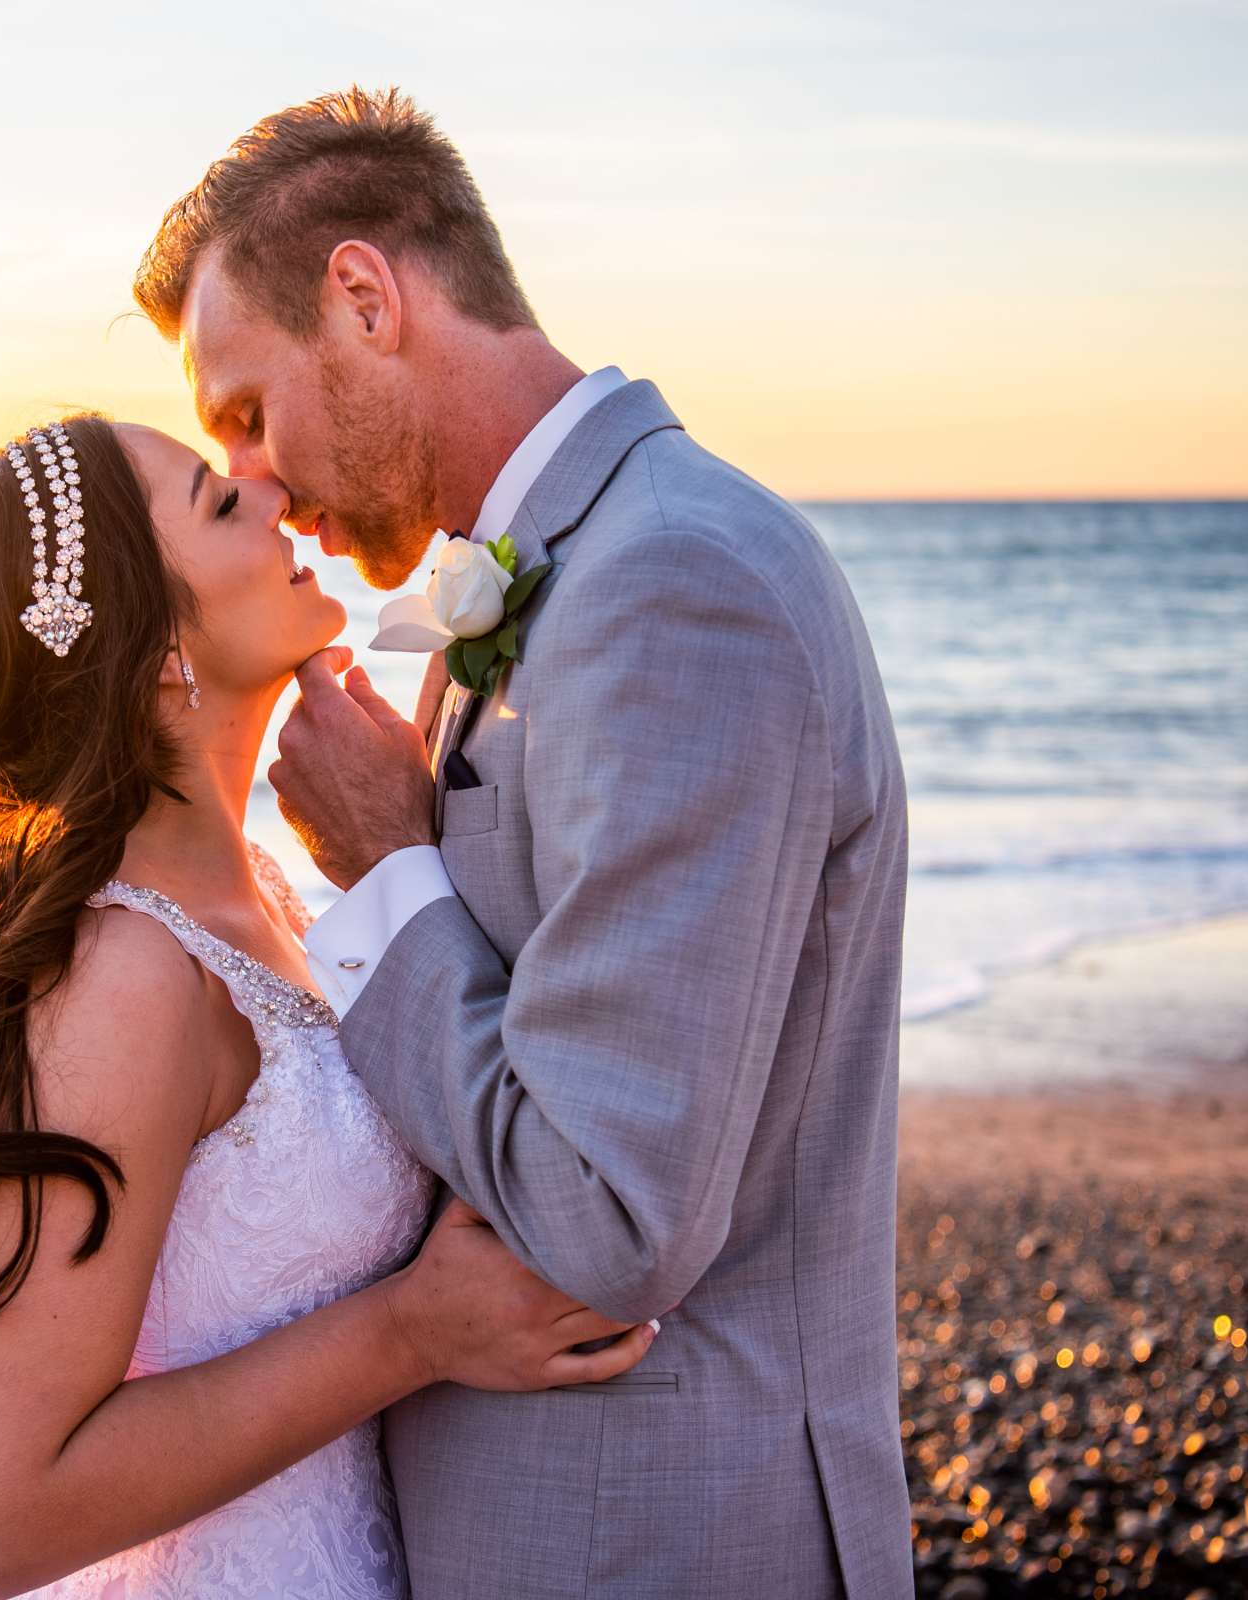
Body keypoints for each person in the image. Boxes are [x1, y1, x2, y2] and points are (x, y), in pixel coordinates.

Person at [131, 88, 916, 1597]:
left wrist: (385, 870)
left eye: (247, 412)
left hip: (661, 1536)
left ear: (365, 298)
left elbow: (609, 1217)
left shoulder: (673, 586)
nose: (263, 480)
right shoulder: (571, 572)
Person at [0, 414, 658, 1600]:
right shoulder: (119, 972)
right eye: (219, 502)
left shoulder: (259, 890)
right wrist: (412, 1331)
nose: (271, 494)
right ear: (156, 637)